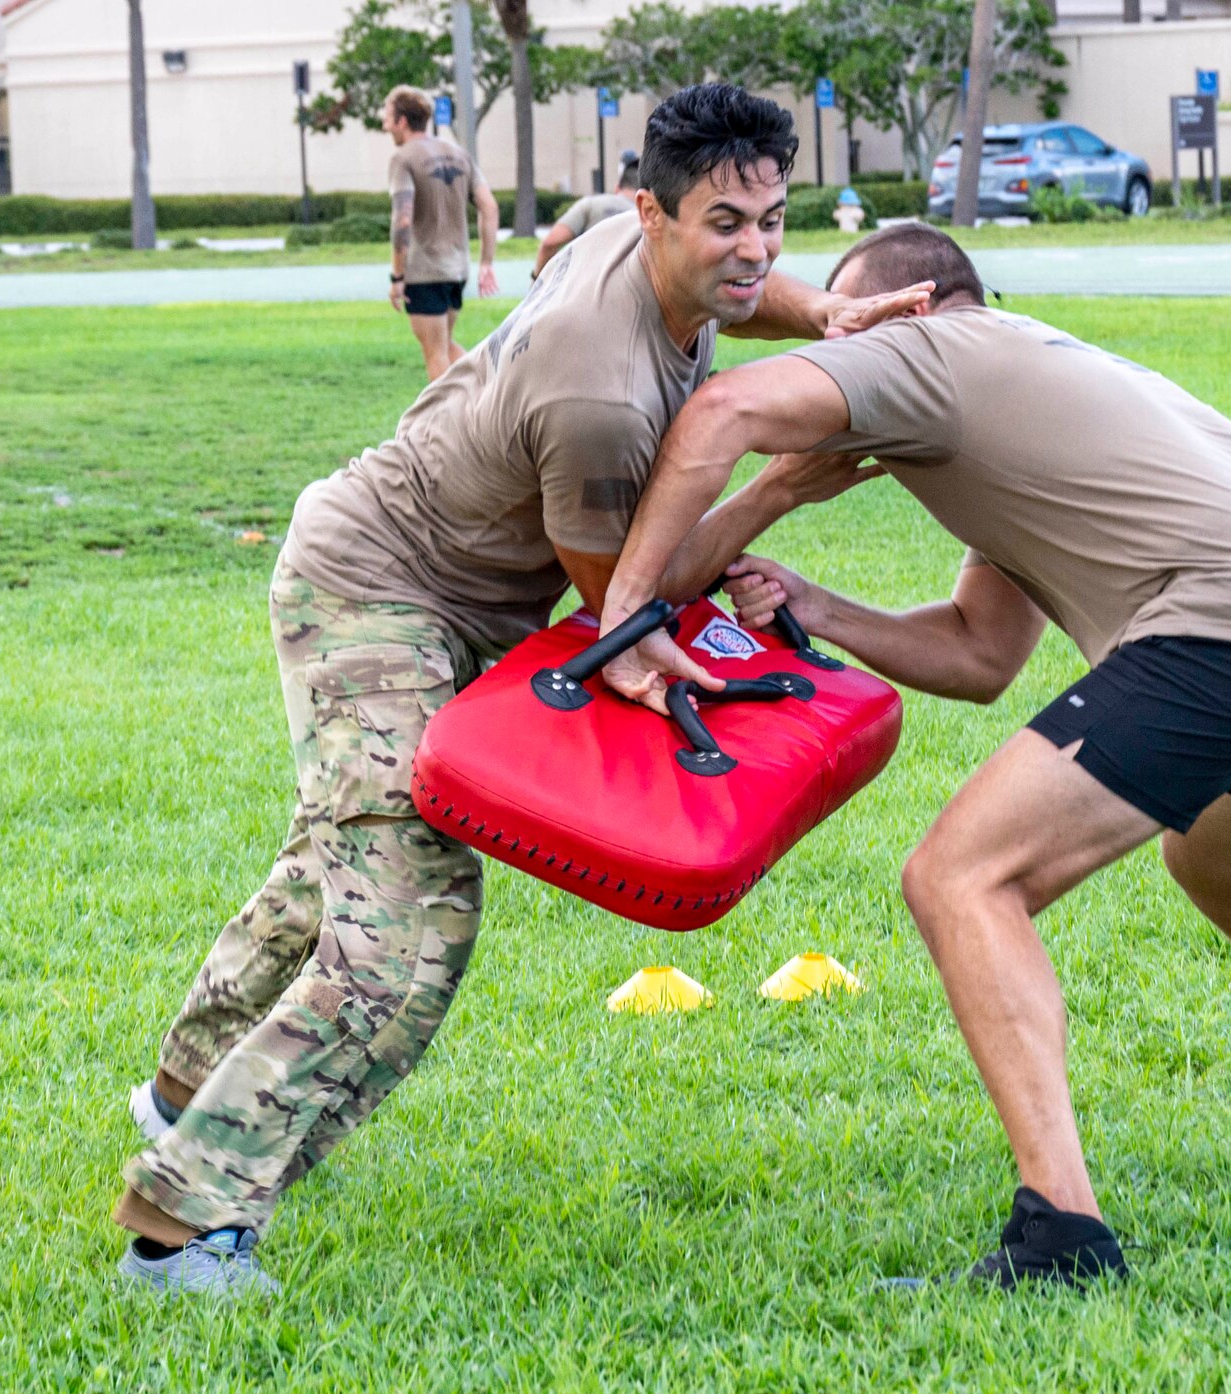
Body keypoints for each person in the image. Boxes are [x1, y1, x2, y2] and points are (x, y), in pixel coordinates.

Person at [112, 85, 928, 1298]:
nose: (753, 246)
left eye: (772, 217)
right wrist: (772, 493)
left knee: (336, 857)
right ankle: (181, 1224)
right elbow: (623, 612)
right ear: (652, 213)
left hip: (446, 598)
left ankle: (189, 1088)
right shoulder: (598, 399)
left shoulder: (621, 233)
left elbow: (752, 293)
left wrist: (834, 308)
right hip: (374, 593)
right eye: (724, 223)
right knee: (408, 929)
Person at [596, 223, 1231, 1290]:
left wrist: (631, 605)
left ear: (906, 312)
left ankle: (1061, 1232)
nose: (840, 347)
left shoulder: (931, 356)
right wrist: (818, 605)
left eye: (846, 319)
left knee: (960, 876)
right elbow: (977, 654)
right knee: (1222, 870)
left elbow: (722, 408)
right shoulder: (1012, 381)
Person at [380, 85, 500, 381]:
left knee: (435, 354)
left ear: (402, 121)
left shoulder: (403, 158)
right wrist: (486, 263)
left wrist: (397, 276)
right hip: (457, 270)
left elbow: (402, 219)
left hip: (424, 272)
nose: (384, 125)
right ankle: (492, 387)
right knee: (444, 346)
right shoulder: (458, 153)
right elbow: (490, 207)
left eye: (387, 117)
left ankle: (448, 424)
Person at [533, 151, 641, 279]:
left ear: (617, 187)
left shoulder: (590, 204)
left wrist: (536, 282)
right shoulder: (648, 217)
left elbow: (550, 243)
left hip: (586, 286)